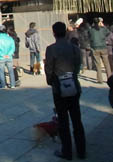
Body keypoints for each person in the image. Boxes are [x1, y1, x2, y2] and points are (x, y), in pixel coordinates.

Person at [45, 22, 86, 160]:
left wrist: (51, 81)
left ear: (54, 33)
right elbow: (78, 65)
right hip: (73, 85)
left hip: (59, 88)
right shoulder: (74, 48)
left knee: (63, 121)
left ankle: (67, 151)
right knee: (77, 120)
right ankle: (81, 150)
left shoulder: (51, 49)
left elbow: (49, 69)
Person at [88, 18, 112, 83]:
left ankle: (100, 79)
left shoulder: (91, 30)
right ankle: (109, 78)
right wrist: (103, 25)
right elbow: (108, 32)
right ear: (99, 22)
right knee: (106, 63)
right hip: (103, 47)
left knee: (97, 64)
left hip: (95, 48)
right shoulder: (103, 29)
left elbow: (89, 36)